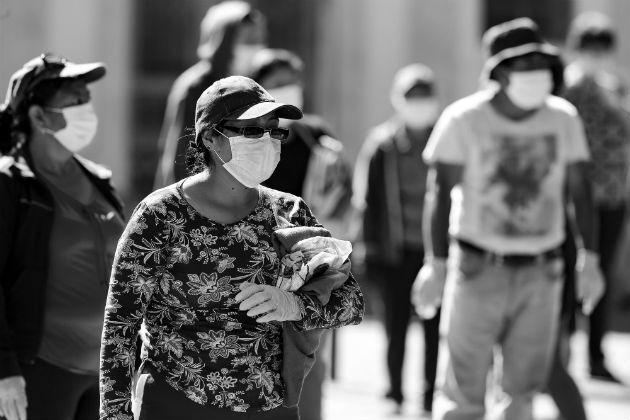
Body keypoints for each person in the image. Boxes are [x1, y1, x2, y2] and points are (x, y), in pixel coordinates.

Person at [99, 75, 364, 420]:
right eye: (252, 130)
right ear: (210, 137)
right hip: (177, 403)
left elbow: (351, 303)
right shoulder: (160, 215)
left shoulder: (290, 212)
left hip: (270, 407)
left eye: (274, 130)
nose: (268, 140)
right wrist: (115, 414)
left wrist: (295, 305)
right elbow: (121, 325)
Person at [411, 18, 605, 420]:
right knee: (463, 394)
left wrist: (592, 258)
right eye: (522, 64)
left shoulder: (563, 117)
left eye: (540, 63)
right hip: (478, 266)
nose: (534, 73)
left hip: (542, 271)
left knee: (522, 393)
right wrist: (437, 263)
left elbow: (581, 191)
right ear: (498, 71)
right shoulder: (463, 118)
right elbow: (439, 191)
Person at [0, 54, 126, 420]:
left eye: (87, 99)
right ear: (39, 116)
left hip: (103, 375)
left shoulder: (99, 179)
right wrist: (4, 368)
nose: (86, 109)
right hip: (37, 375)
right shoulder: (11, 184)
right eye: (74, 100)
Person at [248, 48, 352, 420]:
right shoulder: (249, 139)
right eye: (279, 83)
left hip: (308, 263)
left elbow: (342, 192)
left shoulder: (316, 135)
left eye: (293, 82)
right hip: (256, 262)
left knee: (308, 352)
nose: (290, 89)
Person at [352, 63, 441, 417]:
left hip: (436, 252)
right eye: (412, 97)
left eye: (424, 96)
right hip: (394, 250)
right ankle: (394, 392)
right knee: (396, 326)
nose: (419, 104)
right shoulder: (382, 145)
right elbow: (366, 201)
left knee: (435, 328)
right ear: (398, 100)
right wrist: (366, 248)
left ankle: (432, 392)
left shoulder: (445, 139)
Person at [563, 11, 630, 383]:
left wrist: (609, 98)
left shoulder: (613, 87)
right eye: (591, 49)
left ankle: (596, 355)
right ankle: (564, 353)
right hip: (576, 198)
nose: (597, 57)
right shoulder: (566, 88)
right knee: (573, 273)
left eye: (602, 50)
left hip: (613, 195)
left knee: (601, 274)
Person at [153, 0, 267, 189]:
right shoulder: (196, 86)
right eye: (247, 40)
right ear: (223, 40)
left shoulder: (254, 84)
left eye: (259, 39)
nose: (255, 47)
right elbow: (182, 157)